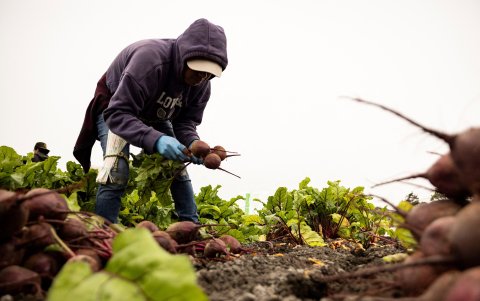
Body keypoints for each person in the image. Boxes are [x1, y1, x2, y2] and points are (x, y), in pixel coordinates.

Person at [73, 18, 228, 224]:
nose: (202, 77)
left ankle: (192, 226)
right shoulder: (150, 60)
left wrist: (191, 143)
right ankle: (104, 231)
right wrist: (157, 140)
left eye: (208, 73)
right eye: (198, 69)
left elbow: (185, 122)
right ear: (184, 56)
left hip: (155, 113)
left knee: (177, 167)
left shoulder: (202, 85)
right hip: (117, 105)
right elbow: (118, 113)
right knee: (116, 169)